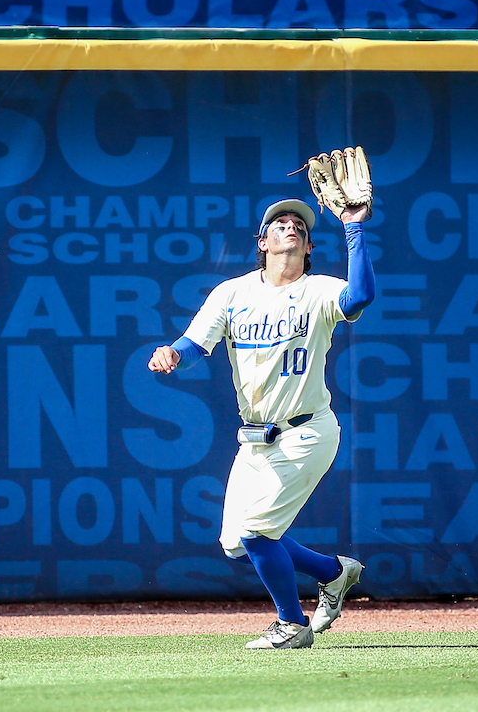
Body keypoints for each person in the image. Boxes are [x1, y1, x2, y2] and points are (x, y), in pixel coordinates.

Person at [148, 195, 375, 650]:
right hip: (255, 439)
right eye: (280, 223)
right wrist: (174, 352)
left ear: (309, 247)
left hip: (307, 431)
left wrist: (353, 227)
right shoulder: (233, 293)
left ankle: (292, 625)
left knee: (256, 533)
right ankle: (333, 572)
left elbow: (360, 295)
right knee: (236, 542)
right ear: (263, 241)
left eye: (299, 226)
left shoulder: (320, 290)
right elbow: (195, 343)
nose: (290, 227)